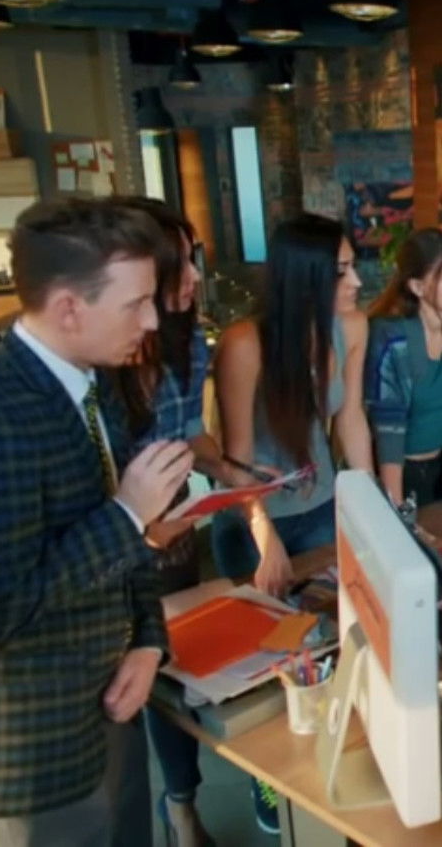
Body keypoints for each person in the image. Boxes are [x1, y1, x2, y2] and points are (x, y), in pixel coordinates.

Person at [0, 197, 194, 847]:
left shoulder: (91, 382)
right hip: (27, 746)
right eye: (136, 303)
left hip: (107, 698)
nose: (152, 319)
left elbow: (126, 536)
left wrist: (147, 640)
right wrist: (127, 515)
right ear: (68, 309)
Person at [211, 213, 373, 834]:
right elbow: (235, 457)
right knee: (268, 666)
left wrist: (370, 508)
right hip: (255, 522)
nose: (357, 282)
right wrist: (264, 534)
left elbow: (350, 419)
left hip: (320, 506)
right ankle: (268, 783)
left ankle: (326, 765)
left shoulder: (350, 327)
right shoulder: (244, 343)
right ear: (304, 277)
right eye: (341, 272)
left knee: (331, 645)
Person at [111, 196, 242, 847]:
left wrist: (234, 472)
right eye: (180, 263)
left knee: (173, 678)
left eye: (195, 259)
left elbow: (193, 435)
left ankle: (181, 801)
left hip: (175, 536)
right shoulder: (101, 362)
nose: (194, 276)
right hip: (113, 547)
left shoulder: (190, 345)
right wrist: (137, 525)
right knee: (123, 691)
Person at [364, 227, 442, 508]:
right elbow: (389, 435)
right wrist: (396, 511)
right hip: (404, 474)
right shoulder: (392, 339)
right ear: (418, 287)